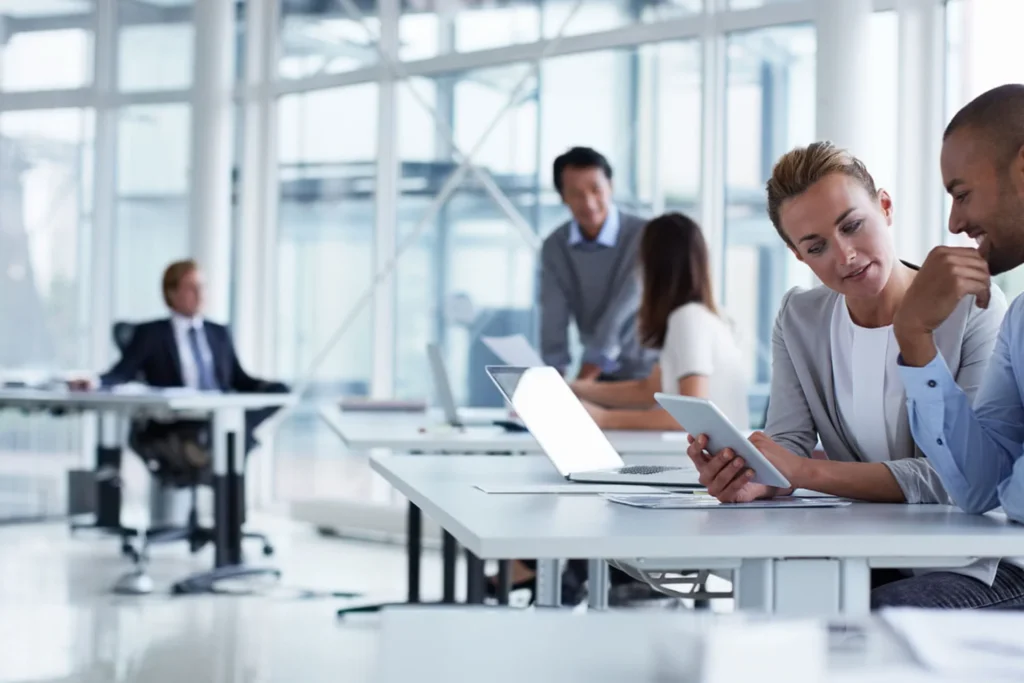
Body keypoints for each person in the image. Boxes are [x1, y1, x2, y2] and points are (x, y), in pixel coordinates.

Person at [685, 141, 1024, 609]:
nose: (844, 256)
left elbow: (959, 478)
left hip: (977, 563)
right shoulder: (799, 316)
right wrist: (756, 476)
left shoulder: (973, 309)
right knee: (774, 606)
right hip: (870, 553)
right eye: (816, 246)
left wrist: (804, 473)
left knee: (859, 620)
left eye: (852, 225)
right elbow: (788, 443)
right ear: (798, 256)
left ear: (885, 207)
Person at [895, 84, 1024, 529]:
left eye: (962, 194)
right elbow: (979, 487)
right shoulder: (1020, 320)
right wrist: (913, 335)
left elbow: (1014, 496)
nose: (954, 222)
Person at [71, 260, 287, 478]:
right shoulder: (152, 333)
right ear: (171, 293)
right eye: (191, 287)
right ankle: (226, 438)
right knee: (229, 438)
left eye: (202, 287)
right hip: (178, 420)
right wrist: (95, 382)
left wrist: (274, 388)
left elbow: (238, 379)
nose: (199, 294)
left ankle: (229, 434)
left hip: (218, 413)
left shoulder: (218, 333)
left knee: (264, 404)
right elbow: (122, 372)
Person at [571, 212, 749, 430]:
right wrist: (574, 389)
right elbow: (648, 390)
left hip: (702, 460)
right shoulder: (705, 317)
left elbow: (692, 416)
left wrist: (603, 418)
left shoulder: (688, 320)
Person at [539, 147, 655, 381]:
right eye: (576, 193)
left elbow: (622, 310)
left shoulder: (644, 235)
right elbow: (553, 315)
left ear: (610, 187)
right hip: (599, 374)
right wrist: (553, 380)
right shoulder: (555, 246)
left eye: (596, 190)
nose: (589, 203)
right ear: (562, 197)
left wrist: (583, 380)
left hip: (648, 371)